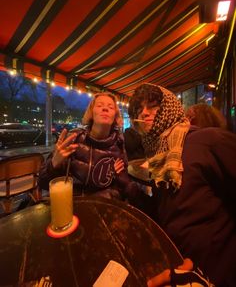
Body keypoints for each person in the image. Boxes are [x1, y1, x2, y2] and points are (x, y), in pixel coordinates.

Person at [128, 83, 236, 287]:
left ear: (170, 107)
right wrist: (130, 190)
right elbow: (172, 211)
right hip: (182, 271)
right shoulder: (160, 159)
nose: (144, 113)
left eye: (152, 105)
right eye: (138, 109)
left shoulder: (208, 141)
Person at [38, 92, 140, 201]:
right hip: (73, 206)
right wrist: (54, 164)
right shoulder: (74, 138)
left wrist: (118, 178)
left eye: (110, 107)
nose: (105, 109)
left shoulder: (119, 143)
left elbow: (122, 190)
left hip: (102, 208)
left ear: (115, 116)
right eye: (100, 105)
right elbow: (43, 184)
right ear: (91, 112)